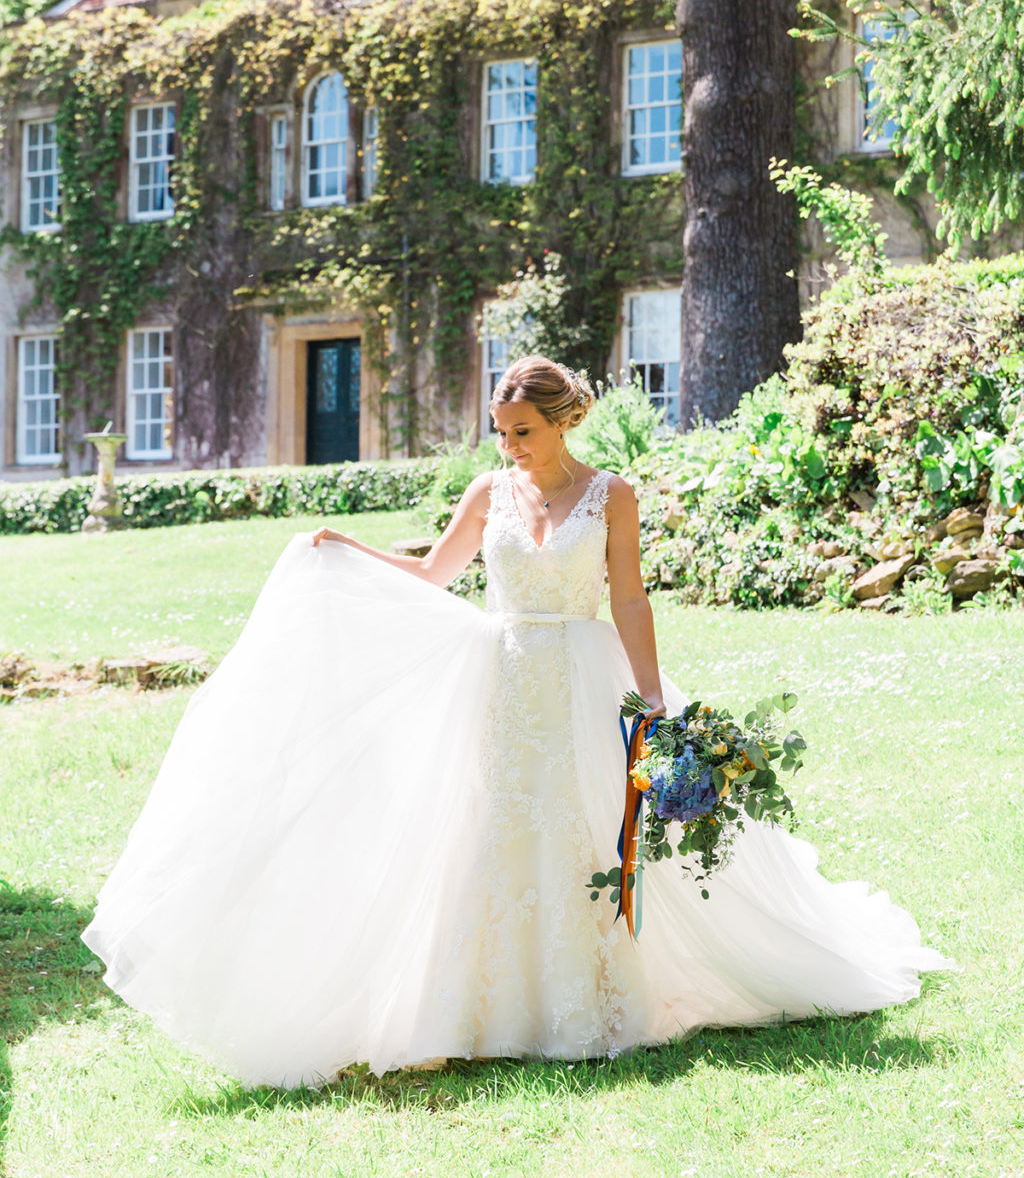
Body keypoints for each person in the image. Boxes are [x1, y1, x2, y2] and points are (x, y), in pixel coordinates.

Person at [83, 356, 950, 1088]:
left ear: (562, 421)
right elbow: (433, 573)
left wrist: (651, 700)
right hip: (498, 682)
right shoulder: (488, 491)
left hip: (583, 677)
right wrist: (349, 549)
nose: (510, 446)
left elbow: (630, 597)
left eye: (522, 431)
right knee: (494, 832)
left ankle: (599, 999)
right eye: (501, 432)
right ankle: (483, 1005)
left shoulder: (613, 495)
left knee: (585, 832)